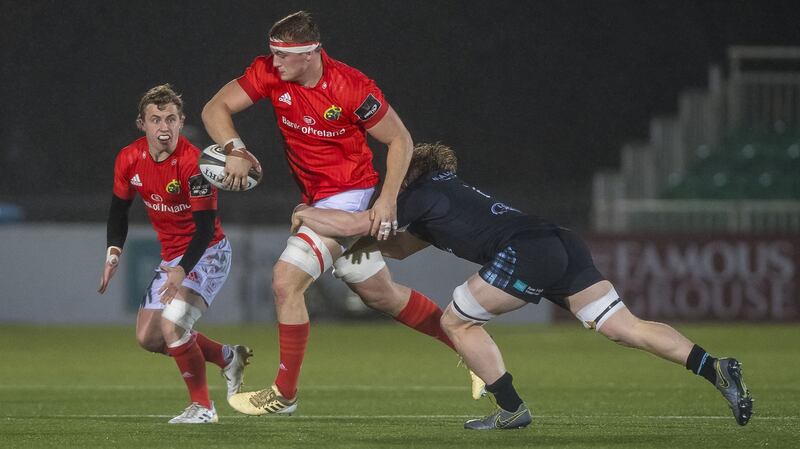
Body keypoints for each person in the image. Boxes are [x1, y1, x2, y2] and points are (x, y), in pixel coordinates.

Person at [290, 142, 754, 430]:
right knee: (623, 327)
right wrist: (356, 250)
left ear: (407, 170)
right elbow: (402, 248)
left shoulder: (415, 193)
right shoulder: (441, 194)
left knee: (456, 320)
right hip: (559, 243)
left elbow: (359, 220)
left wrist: (306, 213)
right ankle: (714, 367)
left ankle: (511, 408)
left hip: (525, 250)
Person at [202, 11, 480, 415]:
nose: (274, 62)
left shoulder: (351, 87)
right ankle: (472, 348)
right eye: (273, 54)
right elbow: (215, 108)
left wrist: (385, 200)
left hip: (351, 194)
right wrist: (236, 149)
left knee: (285, 282)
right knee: (381, 295)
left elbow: (400, 139)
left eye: (283, 55)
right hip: (321, 197)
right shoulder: (269, 73)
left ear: (311, 53)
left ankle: (285, 394)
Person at [98, 84, 252, 424]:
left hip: (208, 252)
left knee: (173, 324)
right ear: (142, 124)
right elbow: (118, 211)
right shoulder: (128, 158)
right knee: (149, 338)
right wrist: (113, 253)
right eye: (155, 120)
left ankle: (204, 409)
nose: (163, 127)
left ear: (181, 122)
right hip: (173, 257)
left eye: (170, 119)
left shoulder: (195, 165)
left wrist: (183, 269)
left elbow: (204, 229)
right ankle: (228, 357)